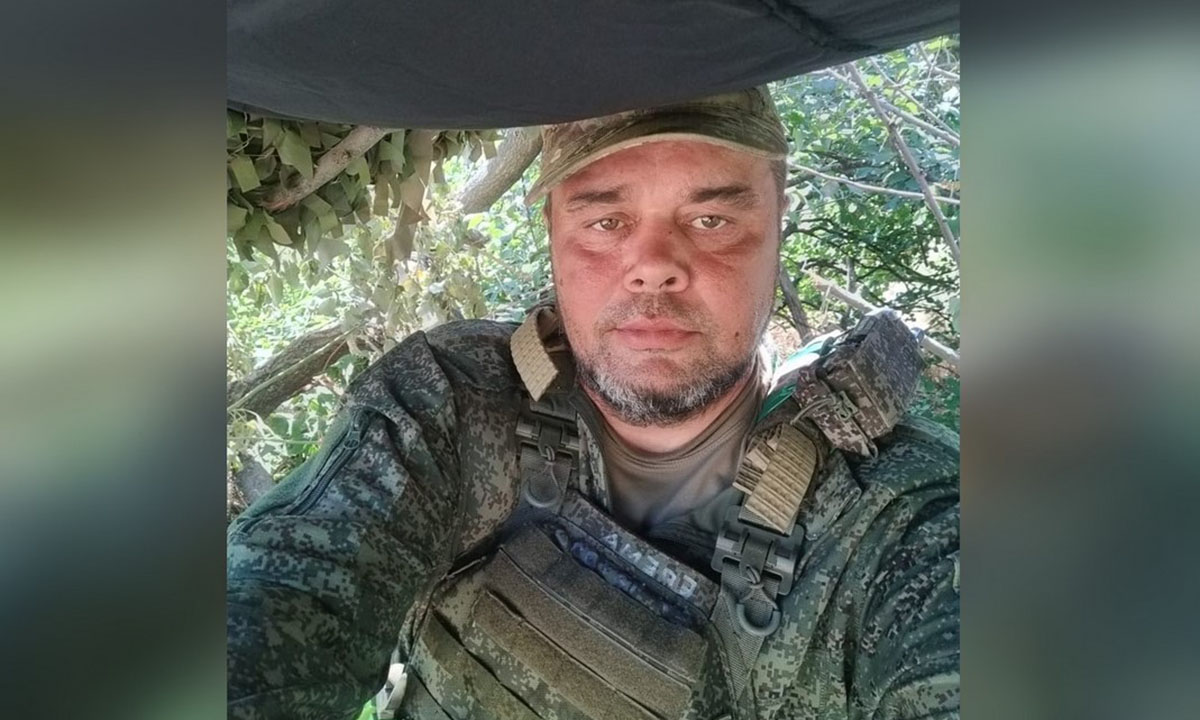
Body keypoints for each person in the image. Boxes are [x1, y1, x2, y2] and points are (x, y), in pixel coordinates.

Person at [227, 87, 960, 720]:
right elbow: (279, 596)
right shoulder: (454, 401)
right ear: (552, 229)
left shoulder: (903, 520)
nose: (653, 268)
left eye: (711, 220)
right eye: (606, 221)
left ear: (778, 223)